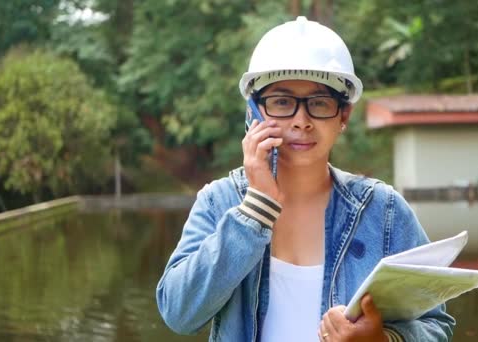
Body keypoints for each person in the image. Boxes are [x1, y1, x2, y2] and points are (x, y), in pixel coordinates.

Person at [157, 16, 455, 342]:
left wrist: (383, 340)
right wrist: (255, 209)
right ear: (253, 113)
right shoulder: (219, 201)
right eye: (282, 102)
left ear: (343, 115)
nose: (302, 121)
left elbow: (436, 325)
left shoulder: (383, 211)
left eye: (319, 103)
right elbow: (178, 314)